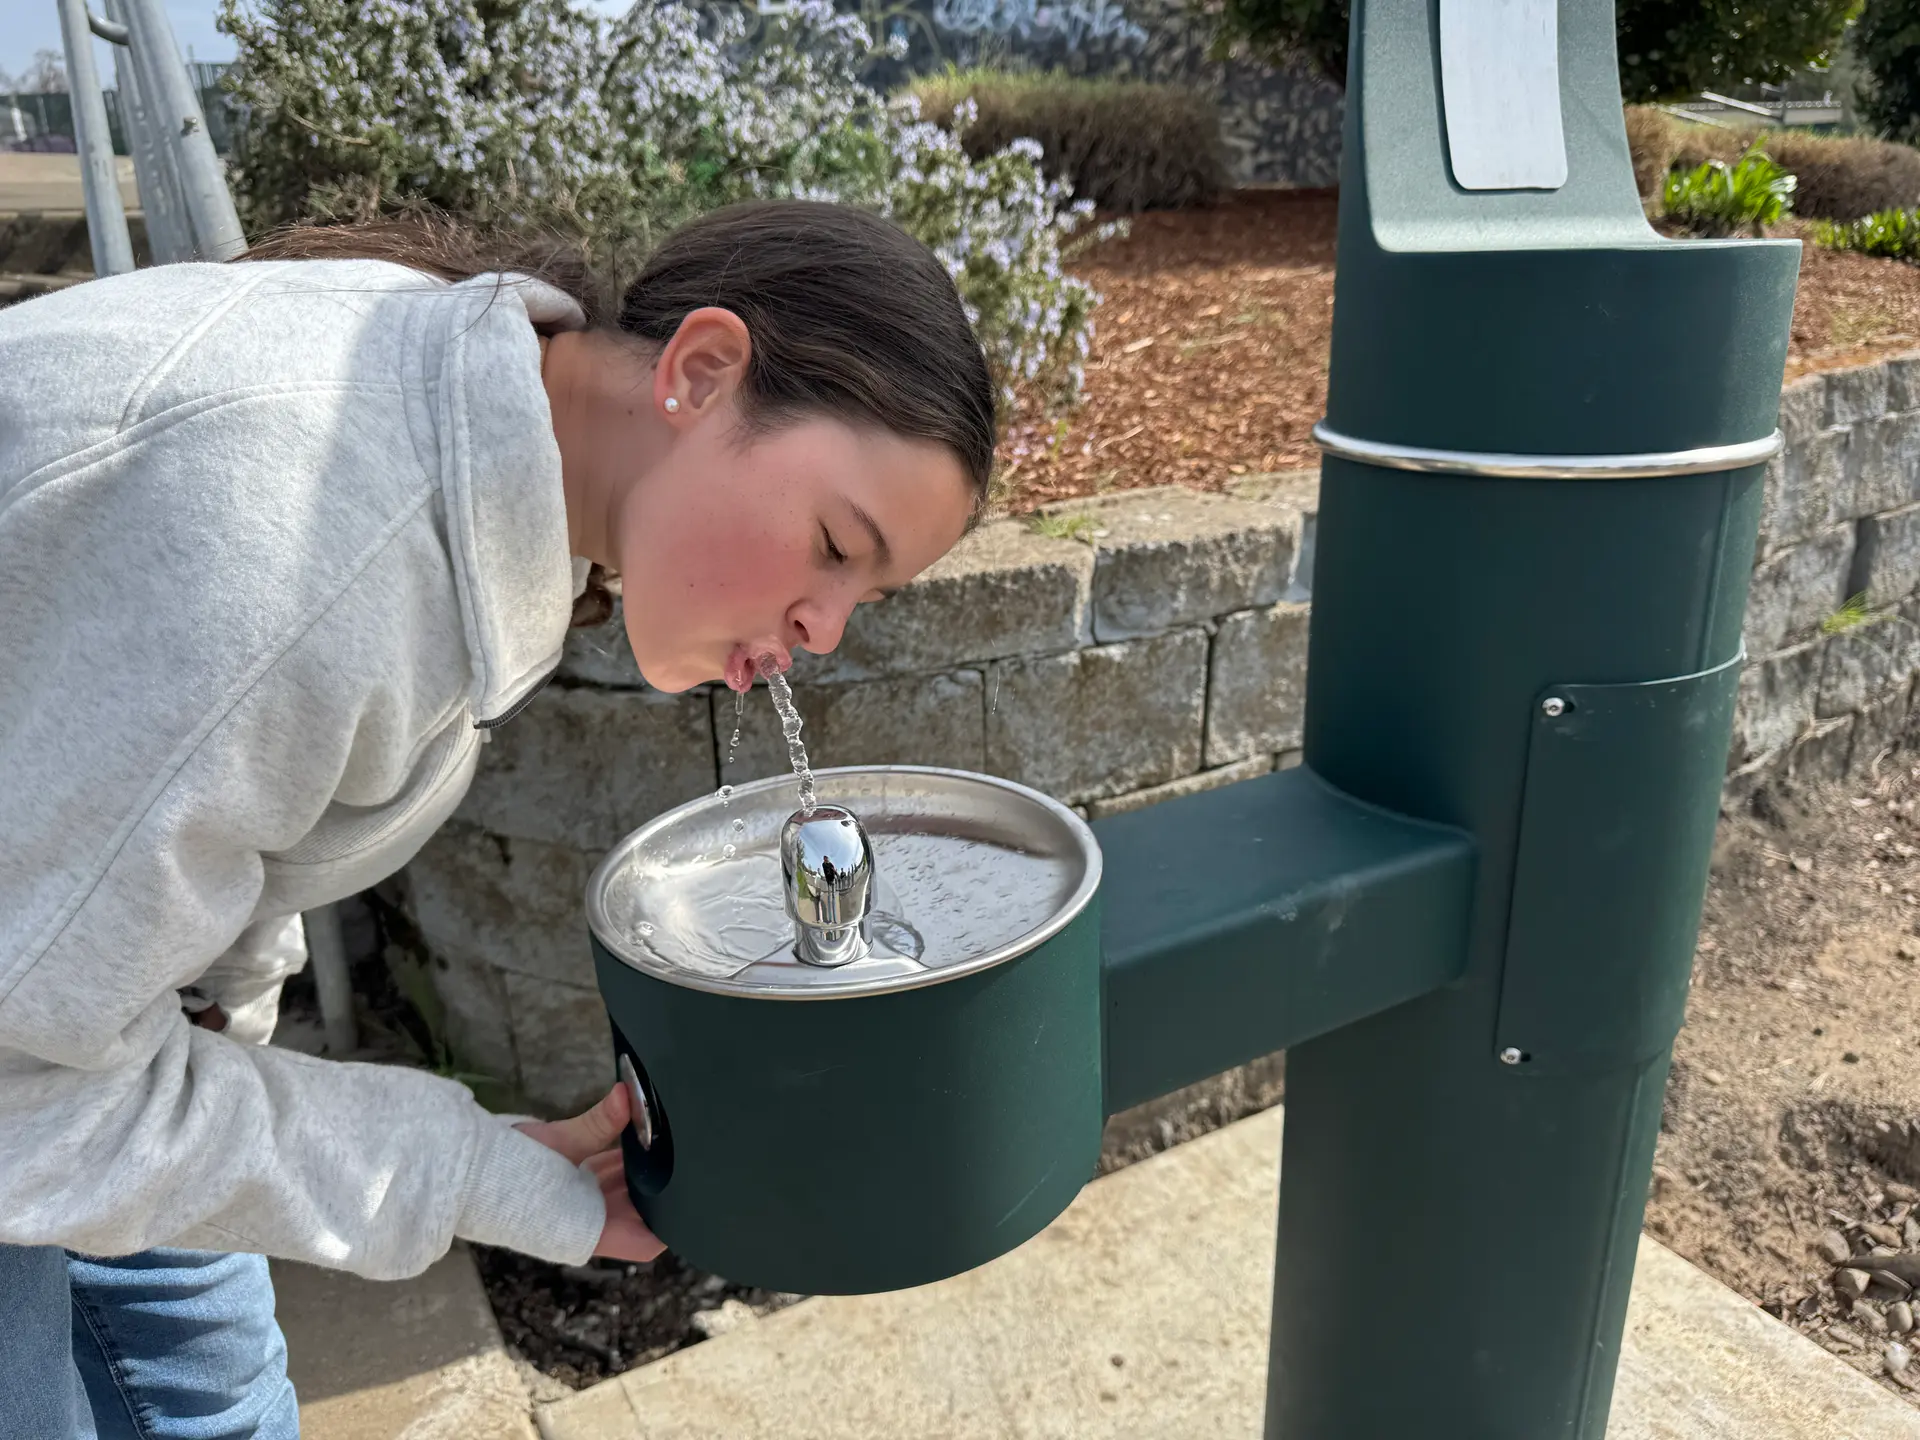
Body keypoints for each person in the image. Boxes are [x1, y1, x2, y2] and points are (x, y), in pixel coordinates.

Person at [0, 200, 996, 1438]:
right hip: (34, 1092)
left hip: (83, 1039)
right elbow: (24, 1108)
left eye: (867, 592)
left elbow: (197, 858)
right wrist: (453, 1165)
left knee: (228, 1404)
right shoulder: (299, 541)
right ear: (700, 370)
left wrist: (248, 1052)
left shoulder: (451, 425)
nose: (823, 631)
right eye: (836, 545)